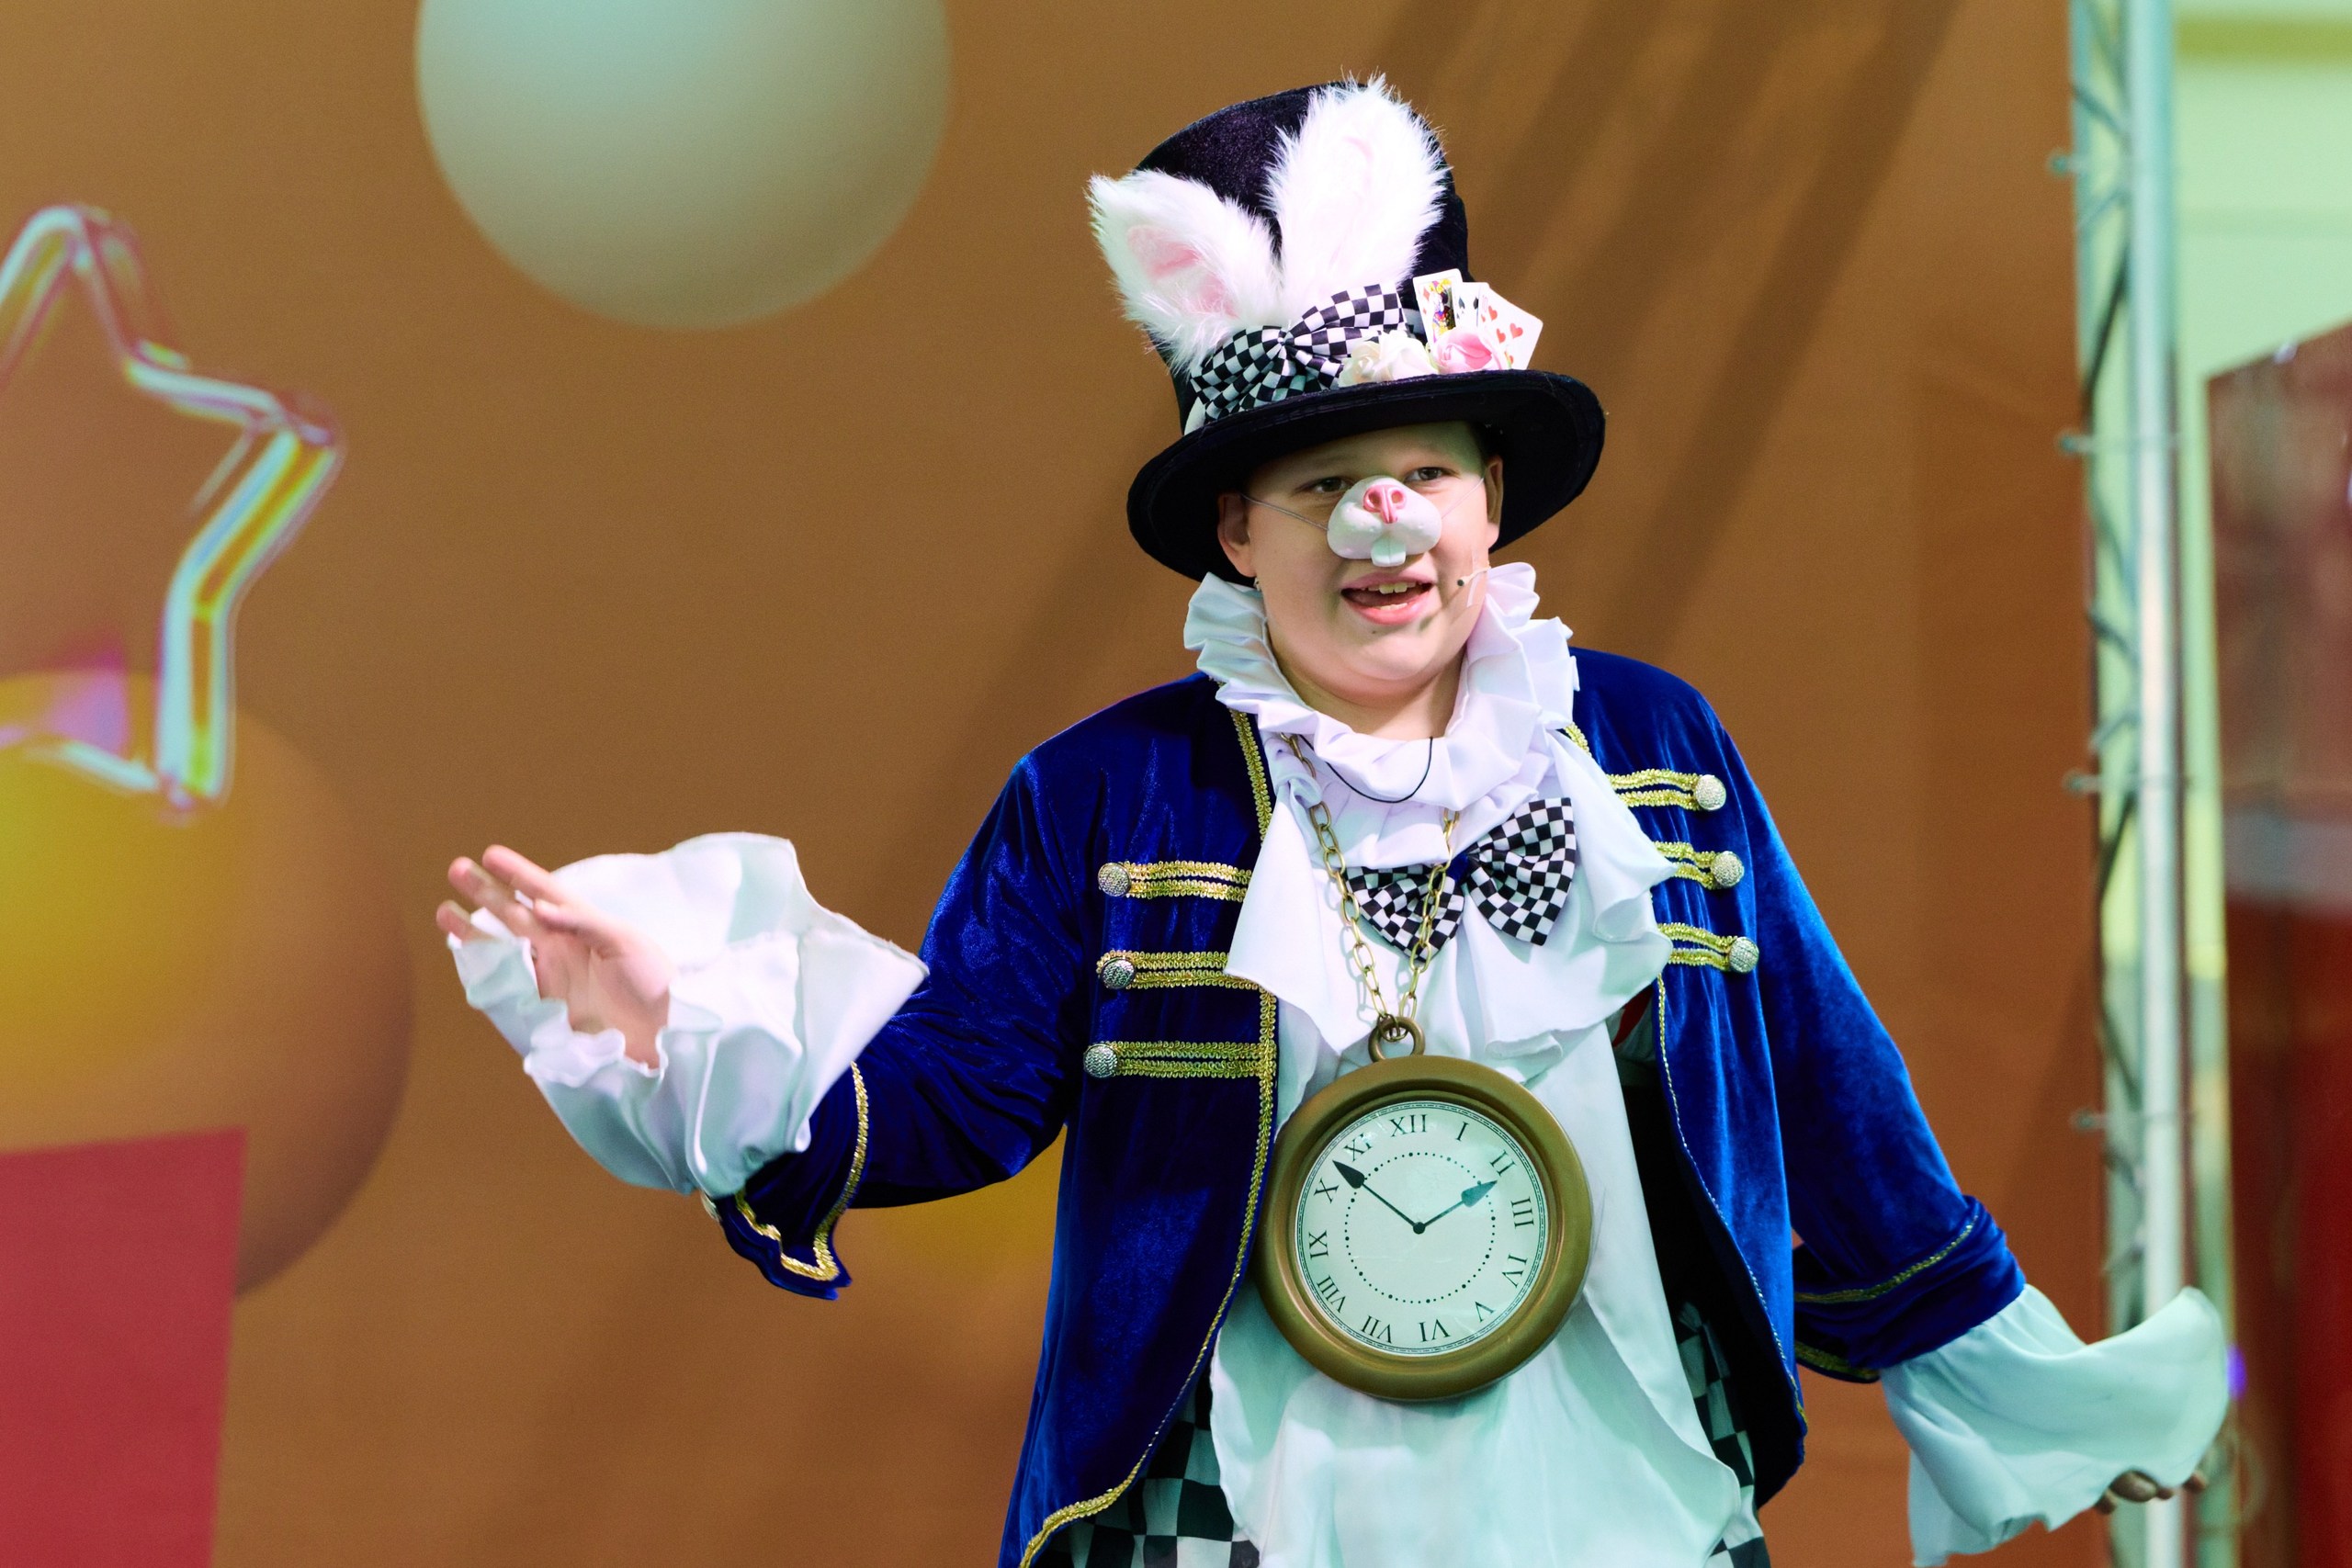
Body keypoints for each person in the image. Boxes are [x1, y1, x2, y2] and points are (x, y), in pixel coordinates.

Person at [439, 79, 2225, 1568]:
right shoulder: (1108, 791)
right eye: (1321, 485)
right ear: (1238, 530)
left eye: (1427, 472)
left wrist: (2011, 1377)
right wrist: (683, 1028)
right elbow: (958, 1093)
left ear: (1489, 501)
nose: (1385, 522)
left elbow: (1826, 1086)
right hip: (1236, 1498)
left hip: (1613, 1479)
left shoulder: (1647, 748)